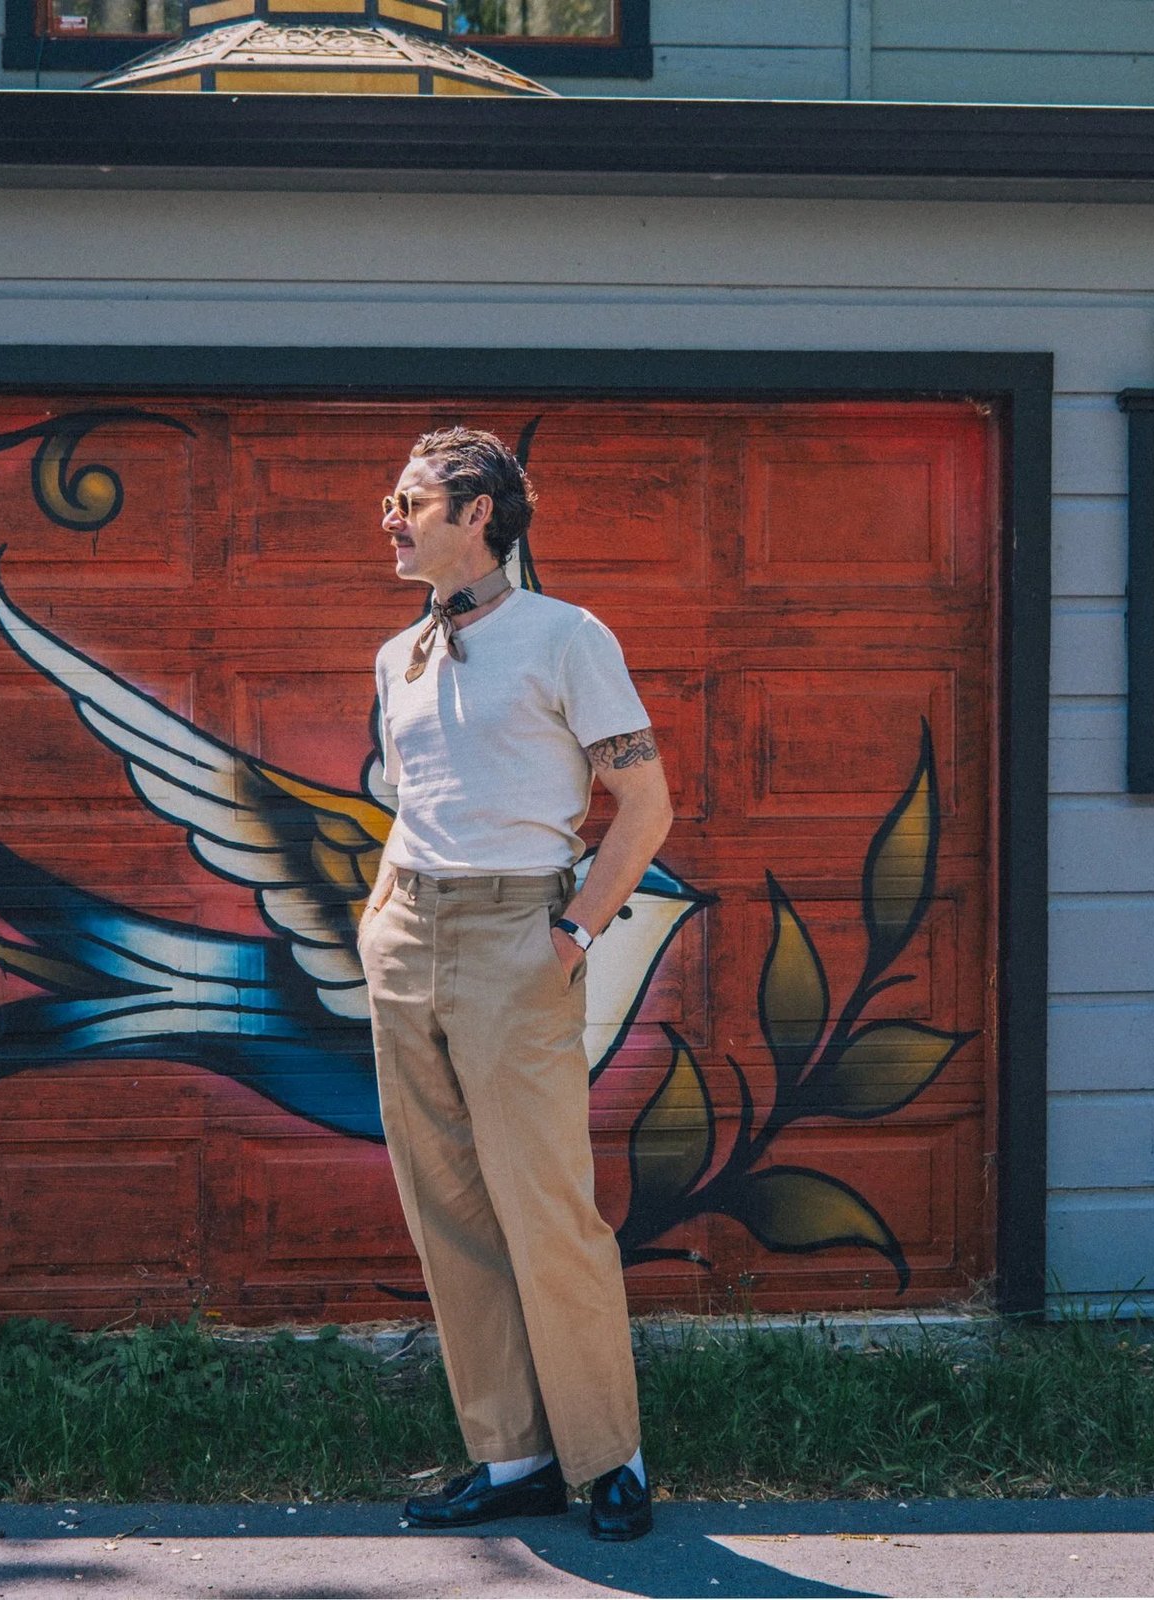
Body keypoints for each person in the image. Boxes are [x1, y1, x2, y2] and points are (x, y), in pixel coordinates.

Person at [357, 427, 673, 1543]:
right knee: (447, 1208)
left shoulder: (566, 636)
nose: (390, 518)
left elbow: (646, 807)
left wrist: (574, 934)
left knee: (545, 1206)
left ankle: (610, 1456)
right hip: (408, 935)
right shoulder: (398, 654)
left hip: (518, 935)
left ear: (477, 511)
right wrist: (379, 924)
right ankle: (514, 1459)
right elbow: (415, 804)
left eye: (410, 500)